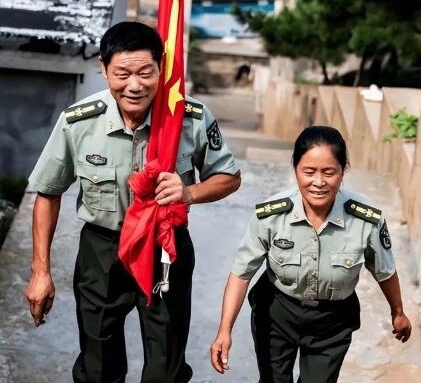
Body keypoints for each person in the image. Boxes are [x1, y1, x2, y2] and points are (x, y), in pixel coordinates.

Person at [24, 21, 241, 383]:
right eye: (123, 73)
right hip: (101, 251)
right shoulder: (79, 123)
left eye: (146, 72)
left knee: (165, 369)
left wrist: (188, 192)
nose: (135, 85)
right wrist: (40, 271)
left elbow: (230, 178)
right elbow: (48, 193)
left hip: (165, 249)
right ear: (104, 69)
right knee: (98, 367)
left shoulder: (188, 119)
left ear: (161, 69)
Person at [210, 126, 411, 383]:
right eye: (309, 172)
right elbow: (241, 272)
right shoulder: (271, 216)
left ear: (342, 171)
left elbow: (385, 270)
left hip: (333, 324)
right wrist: (224, 330)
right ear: (295, 169)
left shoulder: (366, 220)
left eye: (329, 172)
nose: (318, 182)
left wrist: (398, 312)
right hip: (277, 313)